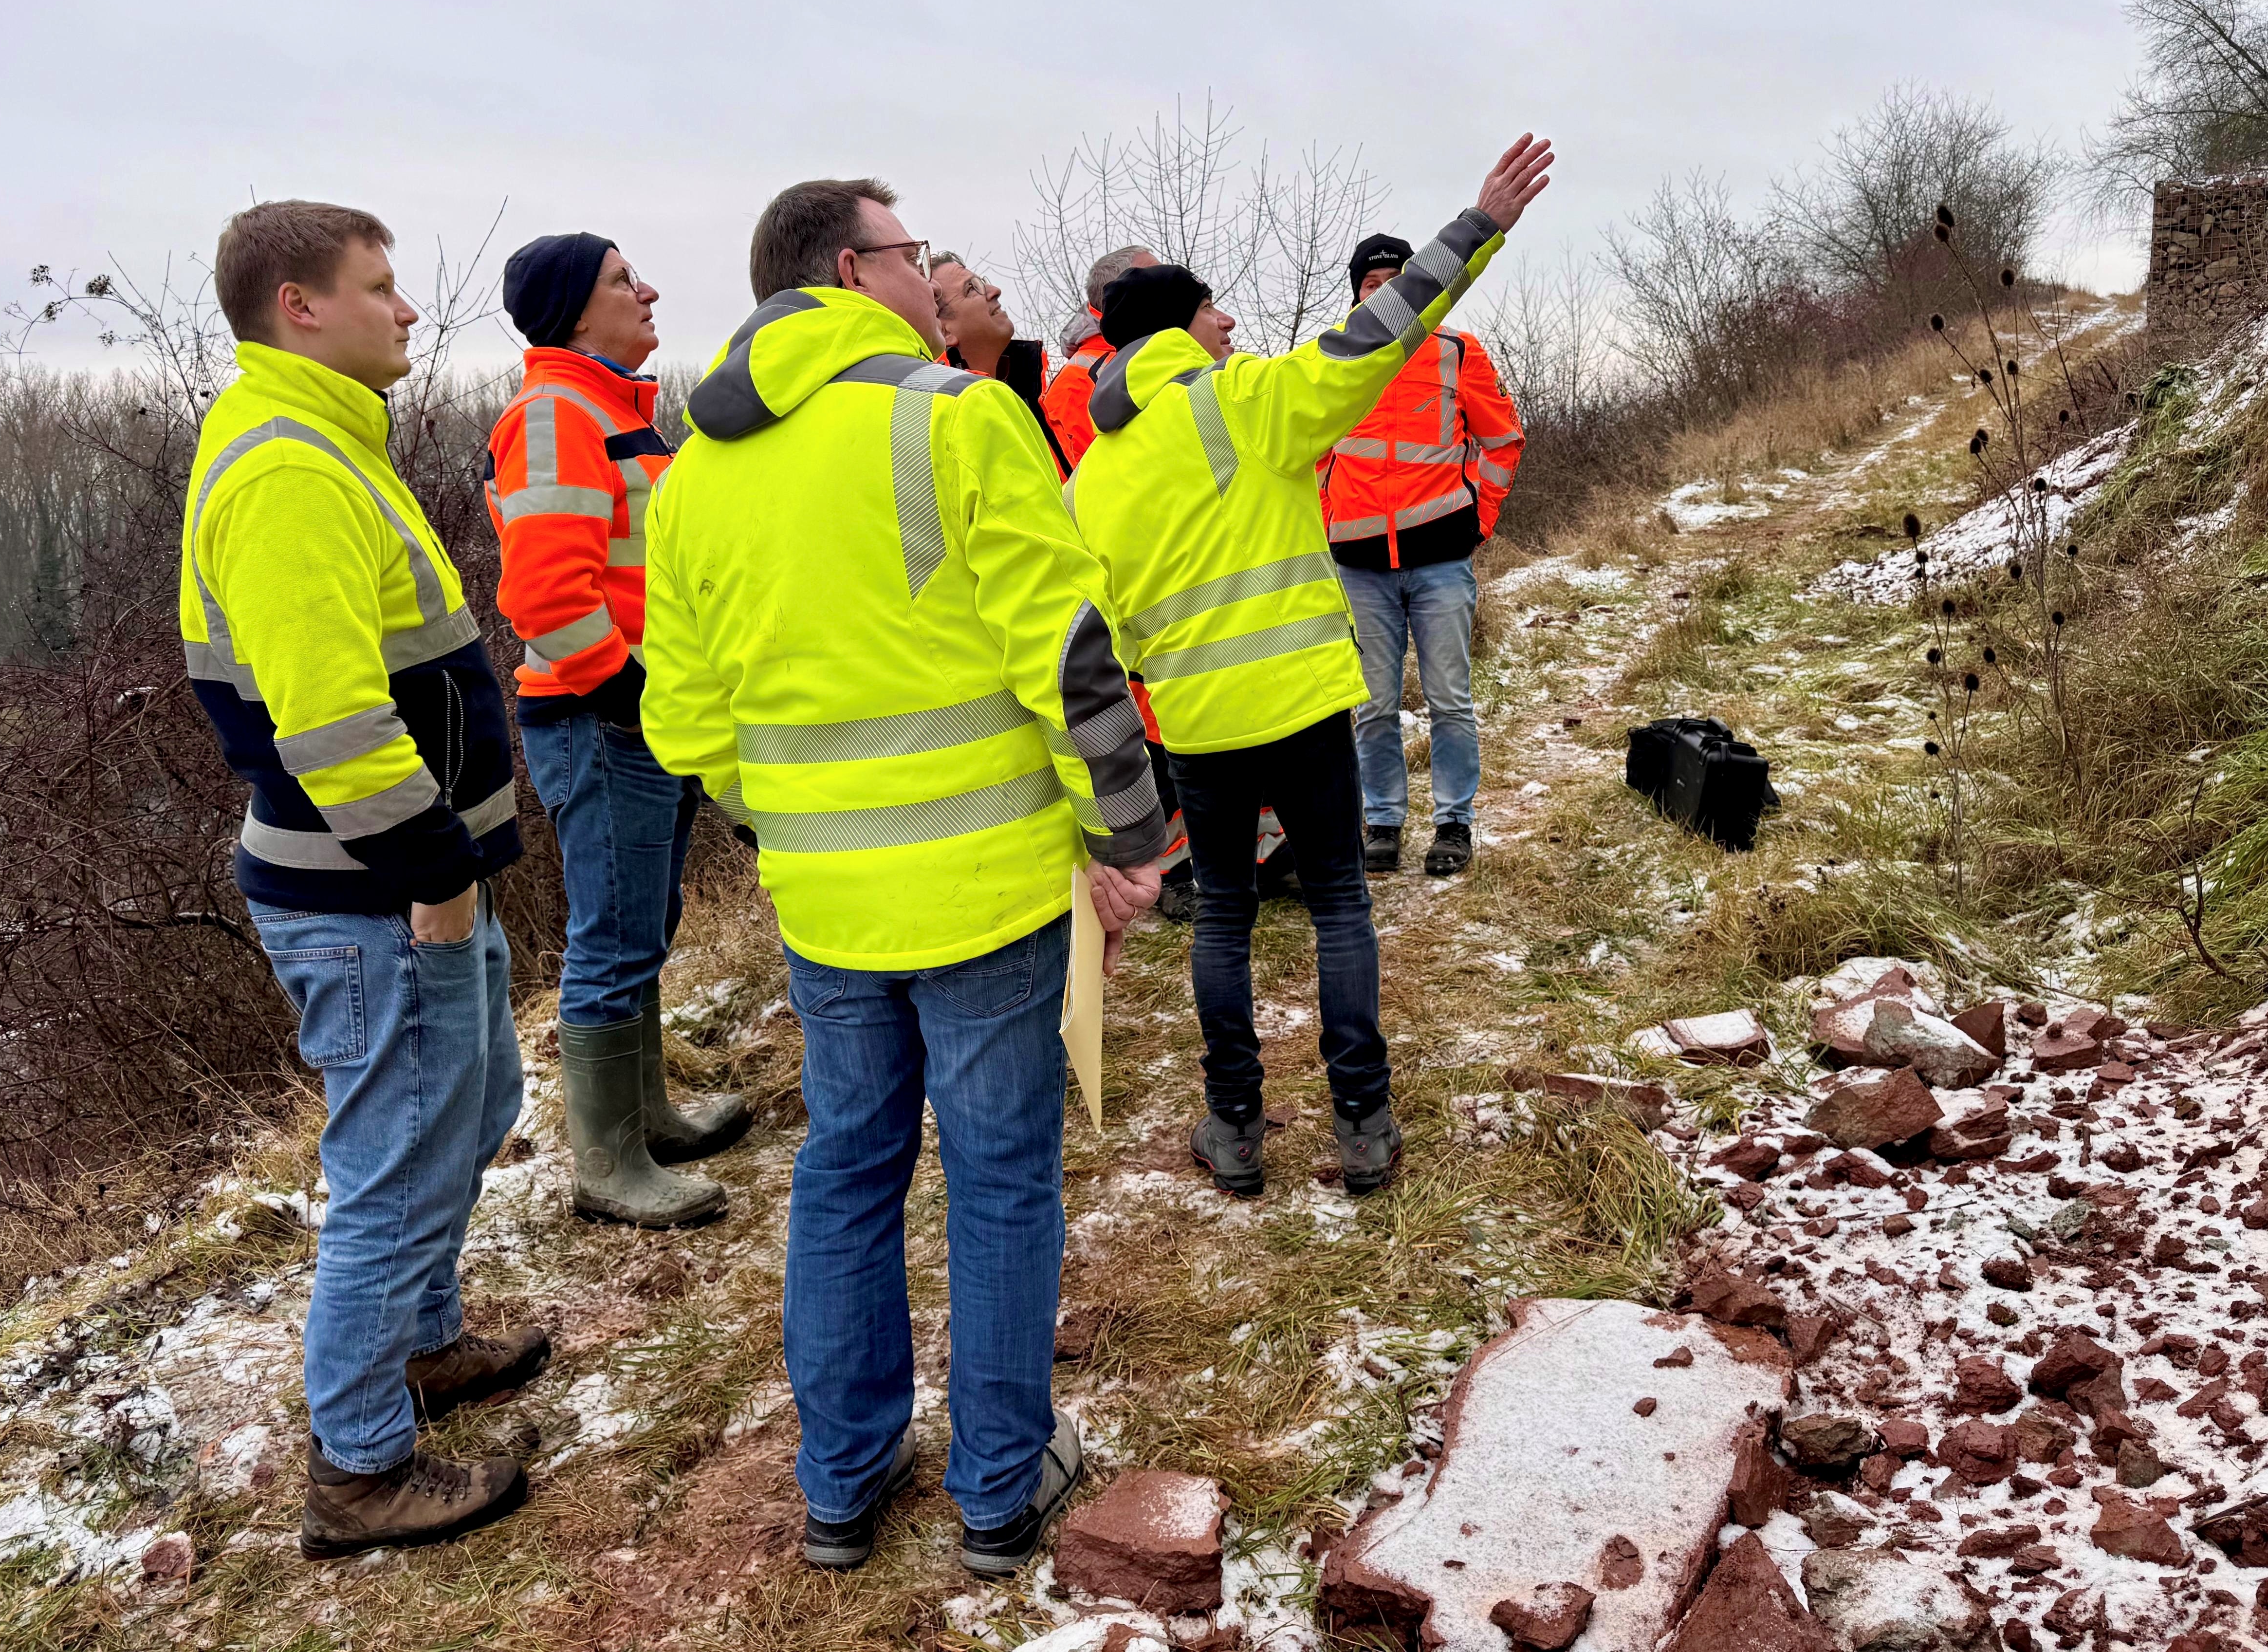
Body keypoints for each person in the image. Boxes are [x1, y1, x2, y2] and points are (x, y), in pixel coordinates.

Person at [641, 178, 1166, 1577]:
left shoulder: (696, 473)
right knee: (1000, 1180)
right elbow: (1070, 659)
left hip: (823, 902)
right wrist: (1127, 838)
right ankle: (999, 1494)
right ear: (844, 268)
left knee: (847, 1171)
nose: (931, 276)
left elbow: (685, 724)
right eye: (906, 250)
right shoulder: (953, 417)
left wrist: (793, 827)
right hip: (988, 892)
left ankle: (842, 1482)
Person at [1065, 135, 1553, 1201]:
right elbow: (1380, 332)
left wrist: (1119, 789)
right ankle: (1362, 1121)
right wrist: (1479, 227)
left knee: (1227, 917)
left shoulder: (1094, 479)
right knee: (1338, 904)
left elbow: (1088, 643)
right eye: (1212, 311)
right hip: (1301, 705)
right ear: (1173, 329)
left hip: (1192, 724)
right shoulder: (1243, 404)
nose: (1229, 324)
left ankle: (1233, 1126)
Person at [179, 201, 543, 1558]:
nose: (407, 311)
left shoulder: (328, 444)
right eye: (380, 288)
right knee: (394, 1161)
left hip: (397, 880)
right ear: (298, 306)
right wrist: (433, 873)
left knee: (478, 1099)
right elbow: (330, 721)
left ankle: (424, 1341)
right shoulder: (288, 473)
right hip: (371, 892)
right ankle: (361, 1469)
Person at [486, 232, 748, 1231]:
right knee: (612, 937)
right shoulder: (556, 415)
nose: (648, 291)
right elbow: (546, 599)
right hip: (605, 719)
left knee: (643, 926)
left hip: (638, 714)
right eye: (621, 281)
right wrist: (636, 698)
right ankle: (605, 1164)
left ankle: (643, 1119)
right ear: (571, 310)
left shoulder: (604, 409)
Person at [1322, 234, 1526, 877]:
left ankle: (1453, 822)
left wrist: (1476, 522)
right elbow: (1307, 461)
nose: (1382, 291)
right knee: (1374, 705)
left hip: (1440, 561)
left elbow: (1502, 442)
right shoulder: (1330, 360)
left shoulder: (1454, 352)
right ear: (1356, 292)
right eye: (1370, 283)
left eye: (1394, 279)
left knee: (1449, 699)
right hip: (1358, 567)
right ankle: (1382, 822)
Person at [929, 254, 1066, 474]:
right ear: (945, 331)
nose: (994, 290)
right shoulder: (954, 418)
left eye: (982, 281)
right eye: (972, 289)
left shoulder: (1029, 392)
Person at [1040, 243, 1157, 468]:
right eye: (1154, 278)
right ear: (1118, 296)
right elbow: (1076, 475)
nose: (1171, 281)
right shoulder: (1075, 382)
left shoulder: (1163, 350)